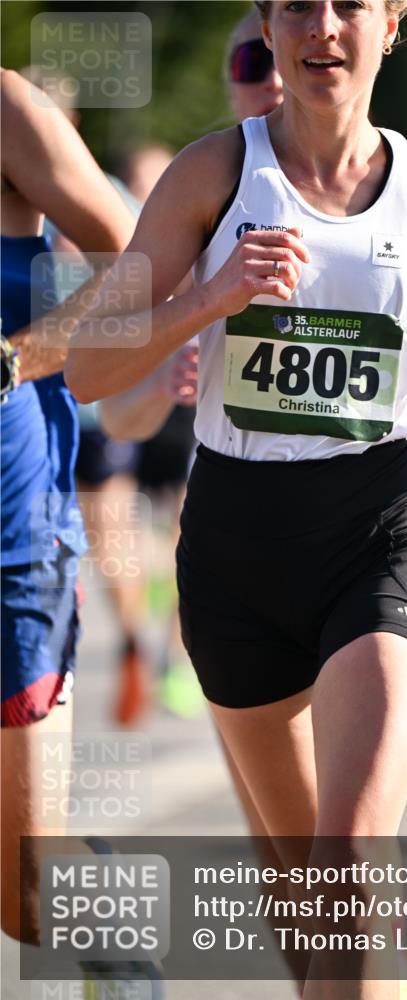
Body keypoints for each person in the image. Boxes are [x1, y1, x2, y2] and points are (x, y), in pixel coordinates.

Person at [66, 2, 407, 996]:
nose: (322, 27)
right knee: (308, 905)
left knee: (344, 866)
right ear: (267, 21)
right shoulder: (211, 174)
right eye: (296, 3)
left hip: (373, 528)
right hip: (232, 547)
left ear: (391, 21)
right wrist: (209, 299)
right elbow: (88, 366)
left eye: (349, 5)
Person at [0, 68, 135, 943]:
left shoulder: (10, 109)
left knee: (26, 897)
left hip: (15, 535)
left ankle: (118, 955)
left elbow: (137, 261)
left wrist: (15, 357)